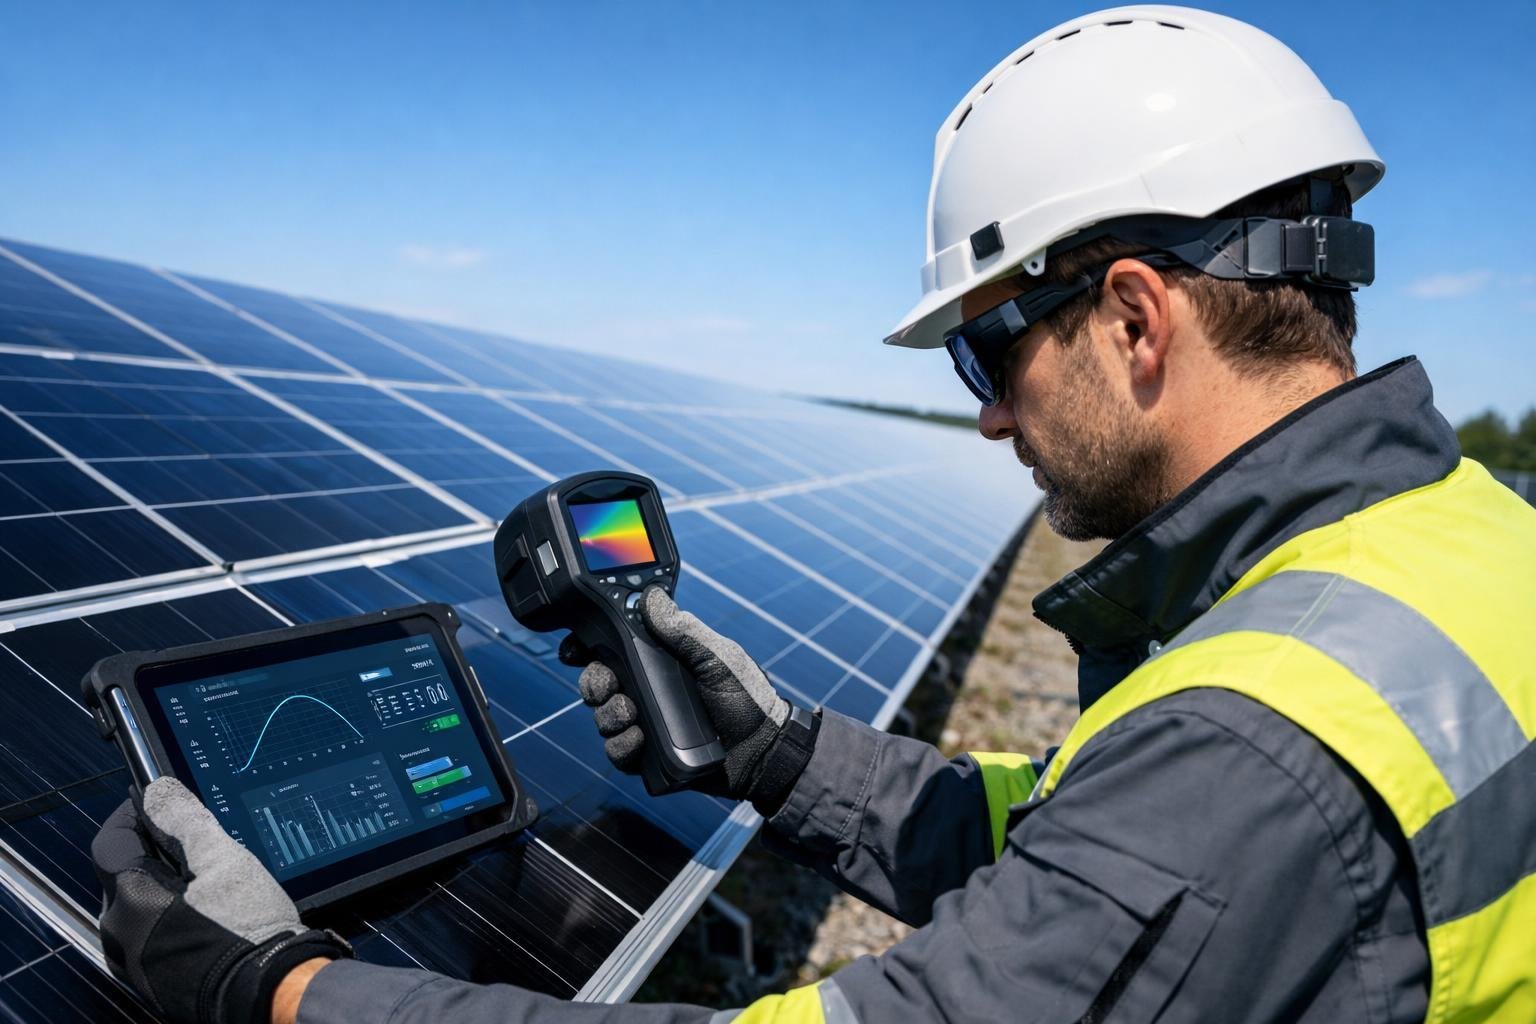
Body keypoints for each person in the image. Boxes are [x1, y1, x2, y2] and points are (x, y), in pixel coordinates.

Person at [92, 6, 1536, 1024]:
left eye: (989, 352)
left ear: (1135, 319)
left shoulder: (1253, 745)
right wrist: (779, 758)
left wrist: (272, 989)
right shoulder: (1460, 542)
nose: (984, 413)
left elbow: (1168, 840)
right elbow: (1076, 841)